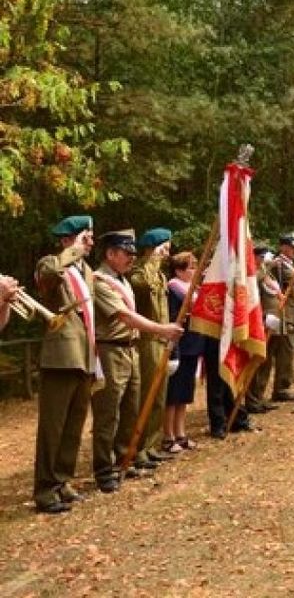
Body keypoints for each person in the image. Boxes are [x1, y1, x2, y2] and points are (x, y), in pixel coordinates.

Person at [90, 230, 183, 493]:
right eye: (126, 254)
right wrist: (163, 330)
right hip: (111, 350)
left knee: (132, 409)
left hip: (131, 348)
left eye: (133, 253)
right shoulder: (100, 281)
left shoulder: (122, 280)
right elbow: (126, 317)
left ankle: (124, 458)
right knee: (109, 414)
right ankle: (103, 468)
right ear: (110, 254)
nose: (131, 258)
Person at [30, 216, 97, 514]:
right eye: (86, 236)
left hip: (85, 354)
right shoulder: (52, 262)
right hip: (61, 356)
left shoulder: (87, 271)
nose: (91, 242)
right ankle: (45, 490)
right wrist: (72, 251)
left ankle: (62, 481)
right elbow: (47, 277)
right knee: (53, 427)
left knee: (74, 424)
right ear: (68, 238)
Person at [127, 228, 176, 467]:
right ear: (152, 247)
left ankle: (152, 444)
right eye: (163, 248)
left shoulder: (161, 276)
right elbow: (142, 288)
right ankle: (139, 448)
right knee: (147, 393)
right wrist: (150, 259)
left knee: (159, 395)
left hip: (161, 339)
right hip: (146, 341)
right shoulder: (139, 273)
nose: (166, 254)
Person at [164, 251, 205, 452]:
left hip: (193, 344)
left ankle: (181, 433)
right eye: (190, 267)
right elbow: (171, 316)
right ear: (179, 270)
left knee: (185, 393)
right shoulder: (173, 289)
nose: (194, 270)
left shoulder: (193, 289)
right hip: (180, 345)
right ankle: (168, 435)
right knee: (173, 393)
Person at [245, 246, 282, 415]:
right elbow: (252, 283)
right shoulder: (252, 270)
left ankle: (259, 397)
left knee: (265, 363)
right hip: (258, 321)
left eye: (263, 256)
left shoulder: (264, 270)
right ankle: (252, 400)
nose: (262, 259)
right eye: (260, 256)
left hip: (269, 321)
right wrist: (267, 266)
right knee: (256, 361)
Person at [266, 231, 294, 402]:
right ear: (282, 247)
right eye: (291, 247)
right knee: (279, 352)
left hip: (287, 315)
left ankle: (282, 387)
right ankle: (279, 389)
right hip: (281, 315)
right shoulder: (278, 265)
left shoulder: (288, 265)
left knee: (285, 353)